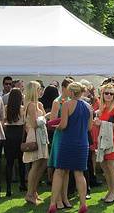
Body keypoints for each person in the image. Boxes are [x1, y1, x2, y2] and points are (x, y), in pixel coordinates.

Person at [47, 82, 92, 213]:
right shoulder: (88, 106)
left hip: (67, 142)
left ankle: (53, 204)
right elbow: (89, 128)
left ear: (72, 92)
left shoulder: (66, 104)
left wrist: (56, 126)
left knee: (59, 171)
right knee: (79, 173)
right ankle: (83, 204)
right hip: (82, 143)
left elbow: (64, 125)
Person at [94, 82, 114, 204]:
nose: (109, 95)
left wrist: (103, 124)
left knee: (110, 165)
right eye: (106, 93)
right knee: (104, 165)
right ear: (102, 94)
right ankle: (110, 190)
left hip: (112, 140)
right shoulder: (102, 108)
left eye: (111, 93)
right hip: (102, 139)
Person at [23, 81, 49, 206]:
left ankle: (34, 191)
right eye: (39, 89)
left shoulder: (39, 104)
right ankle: (29, 193)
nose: (41, 91)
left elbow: (42, 119)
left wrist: (44, 116)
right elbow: (34, 123)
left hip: (42, 135)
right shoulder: (31, 105)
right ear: (34, 90)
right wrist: (45, 118)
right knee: (36, 164)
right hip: (35, 136)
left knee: (43, 162)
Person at [47, 78, 70, 209]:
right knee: (59, 169)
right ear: (63, 88)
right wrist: (66, 118)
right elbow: (52, 122)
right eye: (69, 88)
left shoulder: (72, 102)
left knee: (67, 170)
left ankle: (65, 197)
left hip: (69, 137)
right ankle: (58, 199)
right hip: (60, 136)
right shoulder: (57, 102)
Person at [4, 88, 27, 196]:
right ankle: (22, 184)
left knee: (9, 163)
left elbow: (4, 122)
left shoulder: (6, 108)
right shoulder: (22, 109)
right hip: (19, 134)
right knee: (21, 162)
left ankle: (8, 188)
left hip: (9, 134)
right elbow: (24, 125)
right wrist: (23, 139)